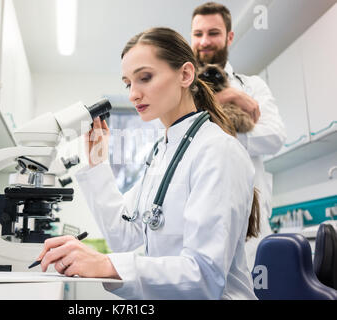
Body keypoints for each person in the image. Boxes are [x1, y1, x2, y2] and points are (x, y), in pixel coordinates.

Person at [36, 27, 260, 300]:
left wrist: (105, 264)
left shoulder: (218, 151)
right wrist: (97, 164)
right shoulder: (162, 153)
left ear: (186, 75)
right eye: (128, 83)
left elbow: (204, 276)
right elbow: (124, 237)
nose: (133, 94)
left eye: (145, 78)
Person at [190, 2, 287, 270]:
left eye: (213, 33)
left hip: (249, 226)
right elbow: (182, 132)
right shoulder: (181, 89)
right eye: (198, 34)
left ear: (229, 37)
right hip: (195, 219)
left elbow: (275, 136)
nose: (205, 41)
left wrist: (225, 132)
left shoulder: (253, 85)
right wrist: (227, 97)